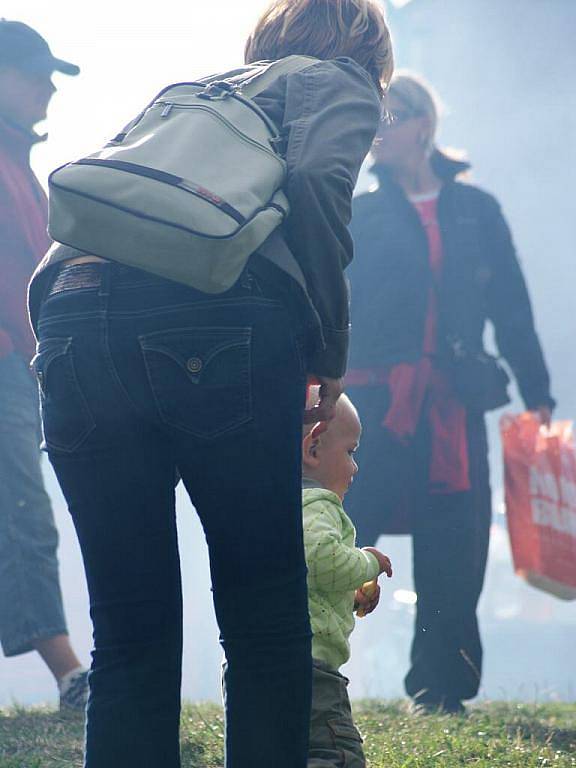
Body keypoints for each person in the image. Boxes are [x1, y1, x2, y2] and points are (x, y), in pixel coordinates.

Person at [27, 2, 393, 766]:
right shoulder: (337, 80)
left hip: (69, 317)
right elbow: (322, 176)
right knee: (264, 617)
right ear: (367, 52)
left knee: (130, 628)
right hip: (215, 320)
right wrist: (329, 346)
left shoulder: (194, 90)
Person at [345, 73, 555, 714]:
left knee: (455, 543)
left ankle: (442, 687)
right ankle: (310, 671)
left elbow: (511, 308)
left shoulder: (476, 210)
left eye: (392, 115)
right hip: (372, 402)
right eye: (372, 117)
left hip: (453, 401)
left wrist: (537, 392)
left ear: (424, 125)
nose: (379, 128)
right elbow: (335, 305)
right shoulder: (359, 210)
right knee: (343, 535)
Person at [0, 19, 88, 711]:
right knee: (22, 512)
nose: (48, 92)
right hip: (5, 366)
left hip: (20, 367)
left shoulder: (17, 163)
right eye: (36, 75)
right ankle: (68, 673)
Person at [302, 389, 392, 767]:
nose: (355, 467)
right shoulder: (316, 505)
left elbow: (308, 576)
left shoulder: (269, 503)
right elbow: (322, 559)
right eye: (350, 451)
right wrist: (367, 561)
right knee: (336, 754)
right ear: (315, 447)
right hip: (311, 672)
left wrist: (350, 595)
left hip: (260, 665)